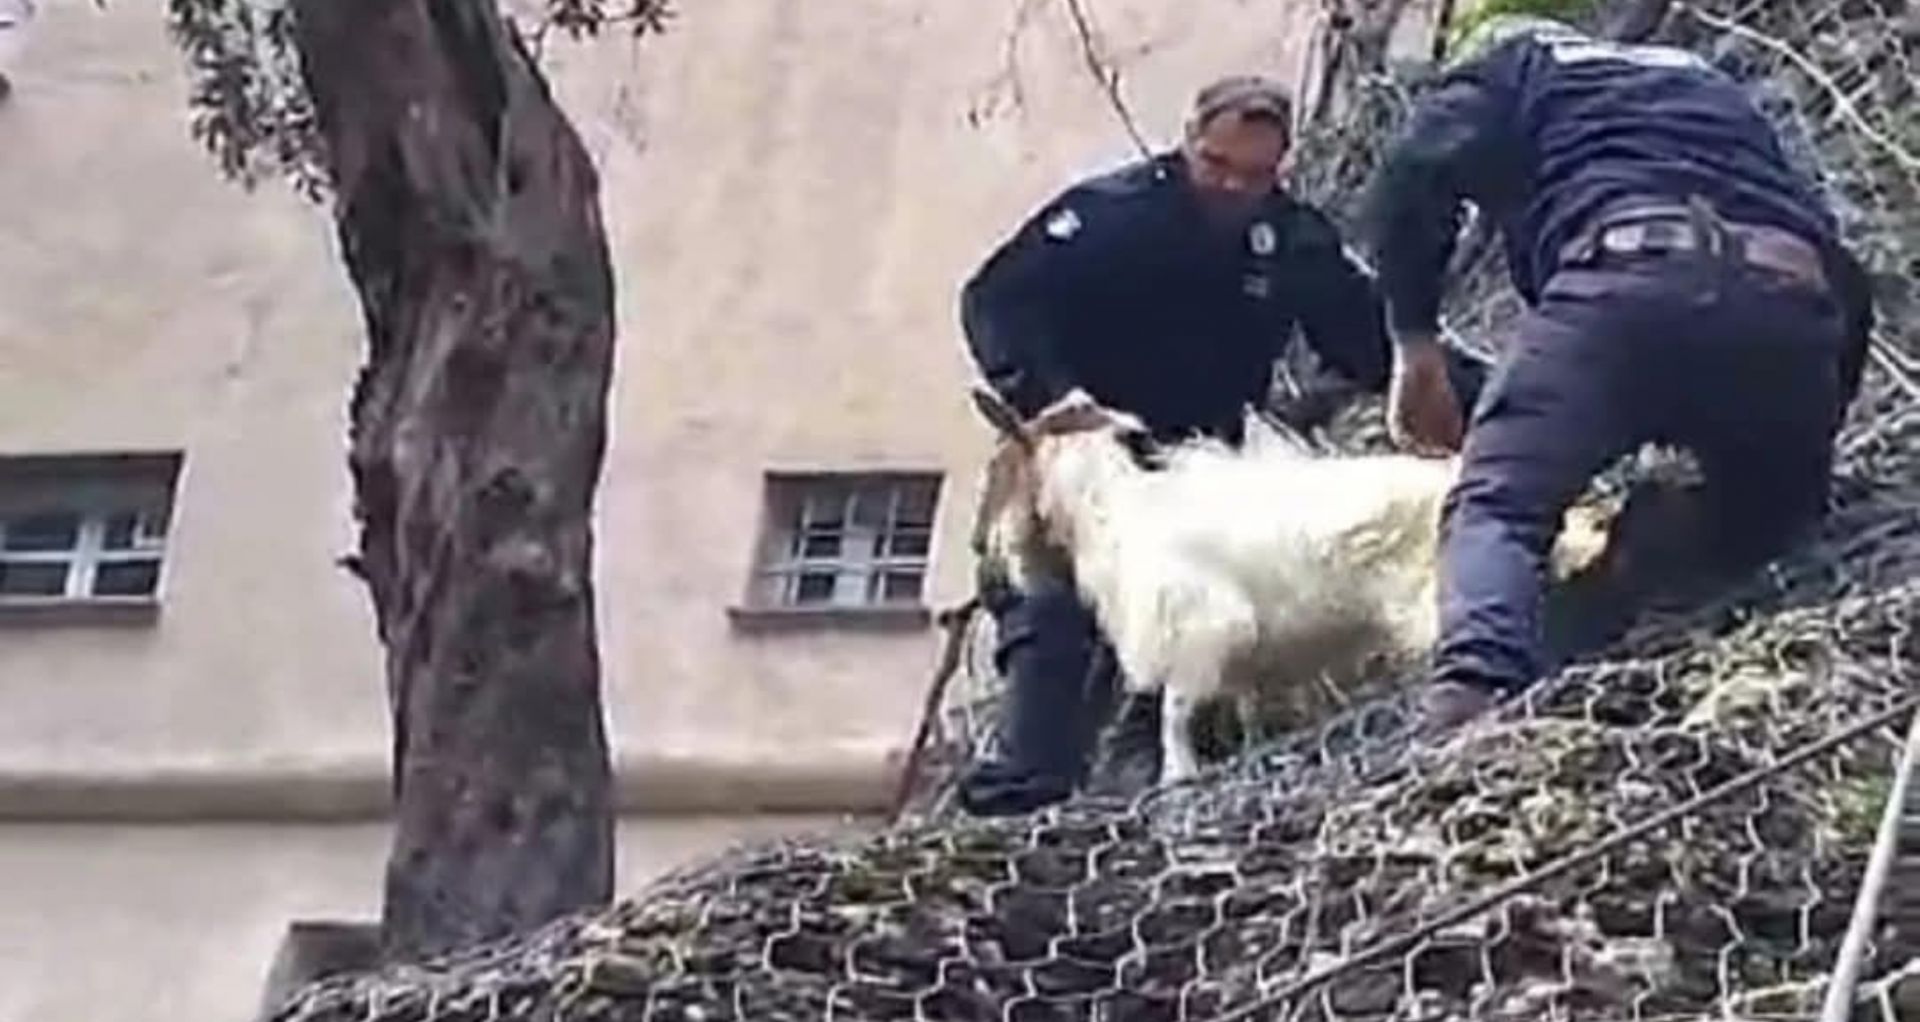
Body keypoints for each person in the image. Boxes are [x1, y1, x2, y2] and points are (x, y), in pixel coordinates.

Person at [955, 74, 1489, 817]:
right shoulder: (1112, 216)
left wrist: (1494, 397)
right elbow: (997, 298)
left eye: (1254, 176)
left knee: (1185, 652)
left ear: (1282, 167)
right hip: (1082, 457)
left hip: (1200, 483)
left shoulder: (1292, 241)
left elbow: (1367, 338)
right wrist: (1051, 394)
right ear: (1189, 143)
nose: (1232, 188)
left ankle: (1144, 805)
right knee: (1054, 619)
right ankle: (1022, 802)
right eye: (1218, 166)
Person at [1363, 15, 1877, 734]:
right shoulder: (1712, 84)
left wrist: (1414, 343)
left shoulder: (1516, 64)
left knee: (1500, 506)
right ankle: (1651, 555)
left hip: (1625, 282)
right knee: (1770, 522)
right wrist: (1816, 424)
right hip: (1787, 304)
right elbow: (1829, 250)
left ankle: (1469, 704)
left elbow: (1415, 172)